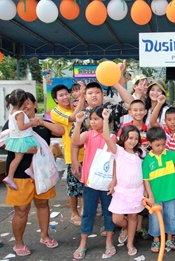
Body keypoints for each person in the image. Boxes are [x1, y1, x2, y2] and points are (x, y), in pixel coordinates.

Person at [2, 92, 64, 256]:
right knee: (21, 210)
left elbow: (60, 130)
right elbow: (6, 143)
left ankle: (45, 236)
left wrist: (40, 122)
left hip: (41, 173)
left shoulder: (42, 125)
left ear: (35, 104)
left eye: (29, 103)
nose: (26, 106)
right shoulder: (14, 121)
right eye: (24, 103)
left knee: (43, 204)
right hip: (20, 174)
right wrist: (27, 149)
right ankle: (19, 243)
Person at [71, 106, 117, 259]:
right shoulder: (87, 135)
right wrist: (78, 123)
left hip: (106, 182)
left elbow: (107, 139)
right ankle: (83, 242)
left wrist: (105, 120)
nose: (93, 122)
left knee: (108, 212)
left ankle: (109, 240)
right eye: (91, 119)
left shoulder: (111, 136)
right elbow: (75, 141)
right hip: (90, 181)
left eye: (96, 119)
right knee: (88, 212)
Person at [103, 109, 147, 256]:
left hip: (137, 190)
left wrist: (147, 190)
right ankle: (128, 228)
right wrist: (105, 119)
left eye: (135, 138)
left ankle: (130, 243)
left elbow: (145, 173)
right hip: (121, 191)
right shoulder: (119, 151)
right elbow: (107, 138)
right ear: (123, 138)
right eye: (130, 138)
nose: (133, 141)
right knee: (117, 218)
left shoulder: (141, 153)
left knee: (134, 216)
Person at [142, 127, 175, 252]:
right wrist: (150, 196)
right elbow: (146, 180)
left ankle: (169, 238)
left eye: (163, 144)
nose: (161, 147)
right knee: (155, 217)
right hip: (156, 195)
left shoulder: (170, 155)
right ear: (150, 143)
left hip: (170, 193)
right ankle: (156, 240)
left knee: (171, 216)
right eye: (157, 145)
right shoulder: (147, 161)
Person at [50, 83, 85, 226]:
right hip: (73, 155)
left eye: (66, 94)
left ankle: (85, 210)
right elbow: (72, 118)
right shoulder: (56, 112)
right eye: (61, 95)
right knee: (73, 186)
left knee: (85, 185)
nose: (65, 97)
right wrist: (82, 96)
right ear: (56, 99)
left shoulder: (74, 105)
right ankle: (74, 213)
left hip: (86, 152)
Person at [3, 89, 40, 190]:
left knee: (17, 159)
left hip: (15, 139)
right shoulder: (20, 113)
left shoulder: (13, 112)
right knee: (38, 149)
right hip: (22, 139)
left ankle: (10, 176)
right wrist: (31, 123)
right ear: (23, 101)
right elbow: (21, 127)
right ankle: (29, 170)